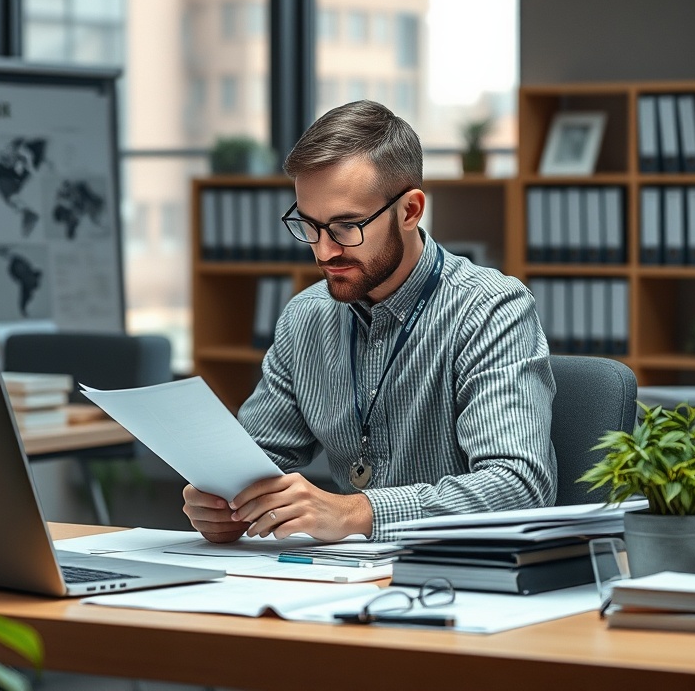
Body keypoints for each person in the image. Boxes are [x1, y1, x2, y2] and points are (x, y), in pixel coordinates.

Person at [183, 100, 557, 543]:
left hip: (466, 579)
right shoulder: (307, 317)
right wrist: (223, 502)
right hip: (349, 577)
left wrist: (353, 513)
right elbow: (254, 461)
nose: (323, 252)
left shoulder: (490, 309)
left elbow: (518, 486)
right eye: (309, 226)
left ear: (411, 211)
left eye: (346, 227)